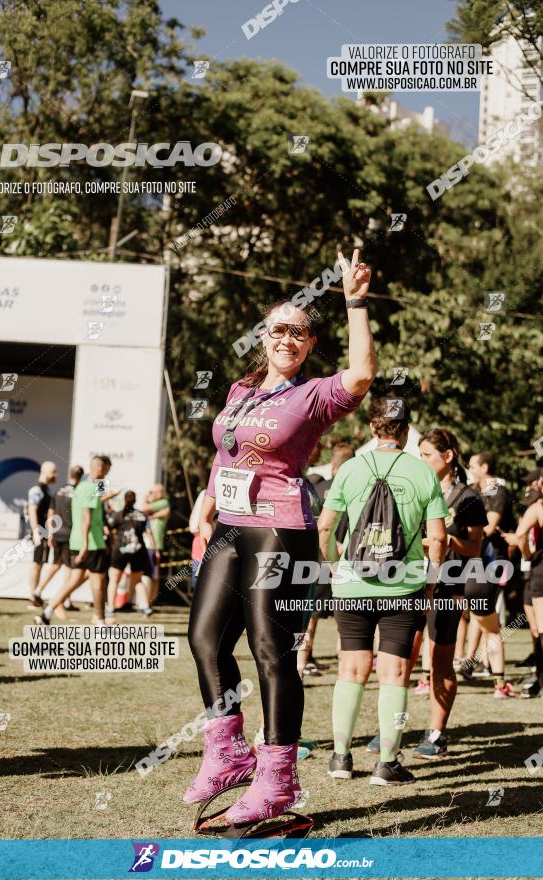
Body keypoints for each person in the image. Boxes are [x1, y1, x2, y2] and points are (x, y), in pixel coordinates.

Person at [185, 247, 375, 823]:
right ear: (263, 337)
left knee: (271, 651)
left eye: (298, 333)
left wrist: (355, 301)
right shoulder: (241, 392)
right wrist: (207, 501)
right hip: (230, 526)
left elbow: (363, 373)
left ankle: (279, 779)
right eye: (277, 330)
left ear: (309, 344)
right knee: (204, 639)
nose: (287, 339)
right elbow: (227, 455)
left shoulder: (313, 395)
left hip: (280, 530)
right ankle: (229, 754)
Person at [318, 397, 448, 785]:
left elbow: (324, 529)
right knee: (395, 672)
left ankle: (341, 757)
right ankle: (387, 763)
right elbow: (438, 538)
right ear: (406, 431)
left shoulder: (350, 469)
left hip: (352, 584)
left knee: (351, 669)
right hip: (403, 585)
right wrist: (431, 580)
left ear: (373, 428)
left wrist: (333, 568)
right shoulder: (423, 472)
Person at [411, 429, 488, 757]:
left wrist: (443, 541)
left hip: (449, 584)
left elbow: (475, 547)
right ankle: (392, 729)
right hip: (413, 582)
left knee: (440, 661)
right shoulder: (415, 489)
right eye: (420, 454)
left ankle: (437, 733)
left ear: (448, 456)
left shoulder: (467, 496)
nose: (422, 460)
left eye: (427, 453)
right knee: (403, 657)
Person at [461, 452, 517, 696]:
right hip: (477, 560)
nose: (470, 469)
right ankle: (470, 663)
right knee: (478, 612)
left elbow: (491, 526)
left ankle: (490, 673)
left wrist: (465, 530)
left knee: (486, 617)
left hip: (494, 560)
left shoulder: (495, 490)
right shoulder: (473, 489)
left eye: (473, 465)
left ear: (485, 467)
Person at [299, 441, 355, 677]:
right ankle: (346, 667)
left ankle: (300, 664)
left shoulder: (316, 488)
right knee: (348, 619)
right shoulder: (356, 489)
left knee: (309, 618)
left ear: (333, 465)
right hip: (347, 562)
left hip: (317, 559)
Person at [36, 455, 112, 627]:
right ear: (100, 468)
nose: (107, 474)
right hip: (91, 542)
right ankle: (100, 622)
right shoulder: (91, 486)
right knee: (98, 581)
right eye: (107, 470)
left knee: (74, 580)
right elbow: (87, 516)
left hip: (76, 540)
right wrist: (86, 544)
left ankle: (47, 612)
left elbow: (97, 504)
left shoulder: (82, 487)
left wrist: (107, 494)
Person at [502, 470, 543, 699]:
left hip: (537, 571)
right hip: (532, 573)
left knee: (540, 627)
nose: (528, 487)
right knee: (536, 628)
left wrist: (528, 555)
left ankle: (540, 678)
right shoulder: (532, 508)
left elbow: (519, 537)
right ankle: (538, 674)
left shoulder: (536, 509)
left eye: (532, 483)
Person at [33, 465, 85, 618]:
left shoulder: (58, 491)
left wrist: (50, 533)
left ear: (69, 474)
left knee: (56, 565)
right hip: (71, 535)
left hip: (57, 534)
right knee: (69, 569)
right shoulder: (79, 492)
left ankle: (37, 591)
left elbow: (51, 513)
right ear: (81, 477)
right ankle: (64, 601)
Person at [106, 491, 156, 619]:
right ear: (135, 500)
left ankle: (110, 608)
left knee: (113, 580)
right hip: (138, 550)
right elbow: (149, 532)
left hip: (120, 550)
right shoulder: (142, 516)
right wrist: (156, 550)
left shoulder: (117, 515)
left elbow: (107, 529)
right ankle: (145, 607)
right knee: (137, 580)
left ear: (124, 500)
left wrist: (111, 541)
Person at [27, 461, 58, 607]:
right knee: (36, 563)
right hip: (39, 531)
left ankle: (36, 596)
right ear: (45, 471)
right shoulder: (37, 489)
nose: (55, 475)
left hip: (44, 531)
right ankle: (33, 595)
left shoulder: (46, 490)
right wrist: (35, 532)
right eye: (53, 472)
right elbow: (32, 510)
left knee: (40, 563)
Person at [142, 484, 170, 604]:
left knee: (152, 574)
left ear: (160, 493)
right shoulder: (161, 505)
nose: (151, 494)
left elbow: (144, 508)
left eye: (153, 492)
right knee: (152, 574)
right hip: (151, 544)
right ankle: (150, 600)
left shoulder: (163, 502)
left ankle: (150, 600)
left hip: (154, 545)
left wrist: (145, 498)